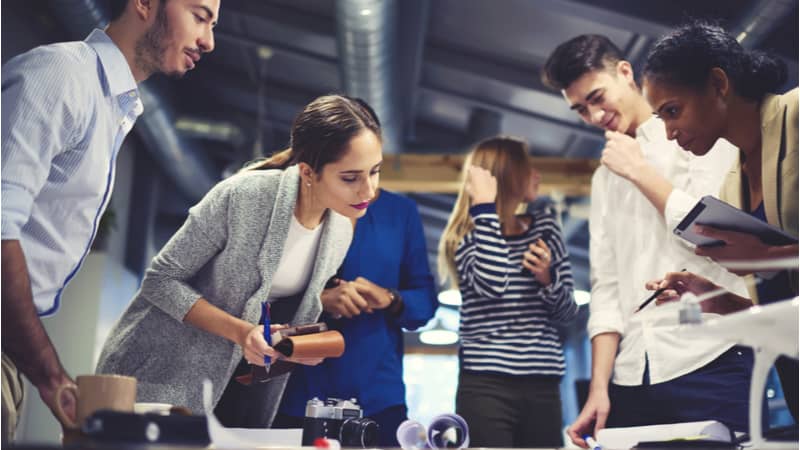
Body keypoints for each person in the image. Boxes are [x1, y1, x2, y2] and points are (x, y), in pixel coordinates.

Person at [95, 95, 383, 428]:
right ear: (307, 171)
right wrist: (243, 333)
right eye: (350, 178)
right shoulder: (244, 196)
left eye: (375, 172)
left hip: (233, 390)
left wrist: (293, 345)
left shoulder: (340, 232)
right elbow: (161, 280)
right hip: (160, 375)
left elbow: (267, 313)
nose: (368, 191)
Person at [1, 0, 218, 441]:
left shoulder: (112, 106)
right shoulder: (60, 76)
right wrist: (51, 375)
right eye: (199, 16)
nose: (208, 41)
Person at [541, 34, 753, 448]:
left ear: (625, 73)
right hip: (631, 375)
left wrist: (639, 171)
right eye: (581, 109)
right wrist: (599, 388)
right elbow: (606, 288)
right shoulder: (604, 178)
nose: (595, 115)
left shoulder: (697, 135)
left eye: (597, 97)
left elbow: (715, 239)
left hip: (710, 357)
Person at [635, 20, 798, 422]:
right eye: (661, 118)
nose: (670, 132)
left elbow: (777, 263)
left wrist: (774, 256)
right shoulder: (731, 188)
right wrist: (715, 299)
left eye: (673, 111)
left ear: (718, 84)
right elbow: (782, 314)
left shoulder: (795, 115)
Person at [438, 136, 579, 448]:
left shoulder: (546, 228)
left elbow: (568, 313)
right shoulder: (467, 236)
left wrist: (547, 279)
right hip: (486, 383)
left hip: (543, 381)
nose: (537, 176)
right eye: (529, 169)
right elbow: (493, 284)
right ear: (507, 177)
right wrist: (485, 210)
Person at [272, 186, 438, 447]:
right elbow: (254, 296)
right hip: (295, 393)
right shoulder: (292, 207)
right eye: (349, 175)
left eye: (375, 170)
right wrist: (317, 300)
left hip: (378, 394)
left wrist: (391, 298)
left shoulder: (400, 212)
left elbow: (425, 303)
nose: (366, 183)